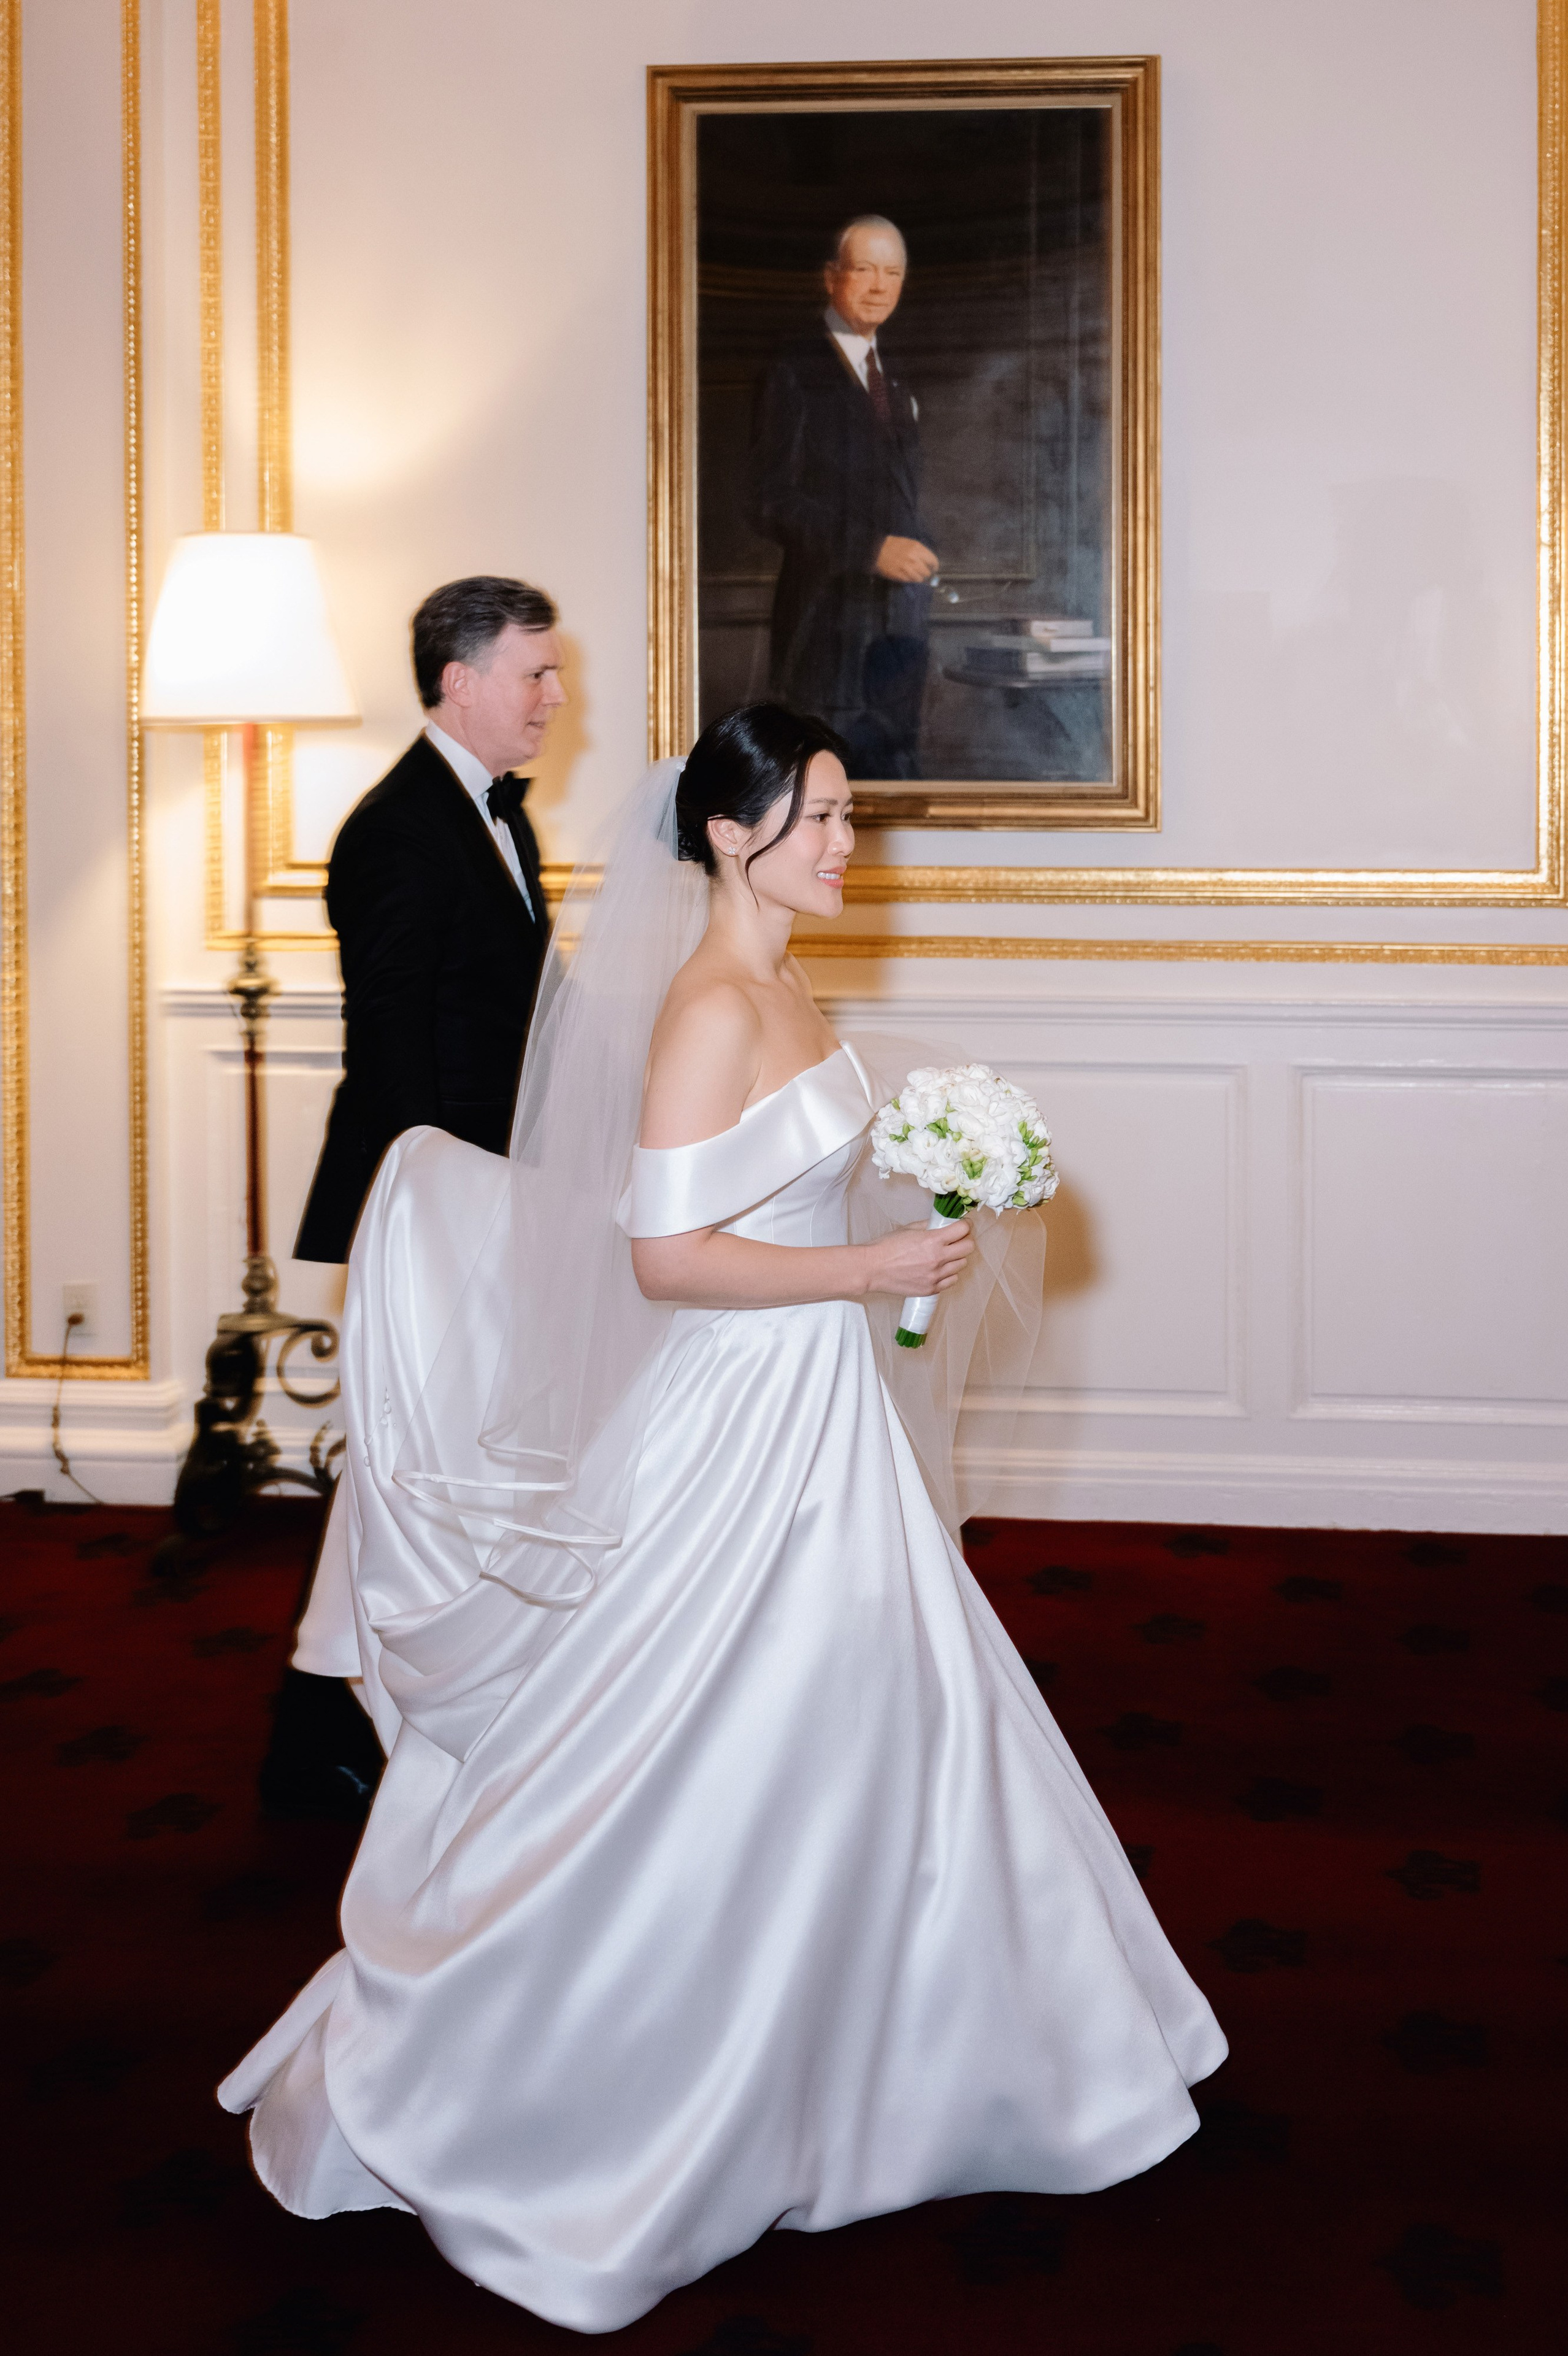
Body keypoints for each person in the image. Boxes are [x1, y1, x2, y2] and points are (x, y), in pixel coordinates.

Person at [219, 703, 1226, 2334]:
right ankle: (609, 2085)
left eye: (846, 816)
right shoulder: (707, 1006)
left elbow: (770, 1188)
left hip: (815, 1406)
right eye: (819, 817)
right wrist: (866, 1266)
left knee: (890, 1710)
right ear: (729, 834)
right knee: (716, 1737)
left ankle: (912, 2060)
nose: (845, 843)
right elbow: (664, 1258)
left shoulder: (784, 985)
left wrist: (918, 1189)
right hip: (741, 1422)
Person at [293, 574, 564, 1266]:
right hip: (440, 1193)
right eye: (537, 675)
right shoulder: (395, 829)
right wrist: (430, 1200)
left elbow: (520, 995)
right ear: (460, 682)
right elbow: (391, 1035)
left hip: (507, 1176)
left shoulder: (506, 813)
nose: (557, 696)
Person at [749, 217, 939, 779]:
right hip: (825, 635)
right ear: (832, 277)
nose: (880, 286)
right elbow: (767, 498)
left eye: (893, 273)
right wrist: (871, 549)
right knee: (821, 790)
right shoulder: (793, 368)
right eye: (865, 270)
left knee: (894, 781)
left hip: (899, 637)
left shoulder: (895, 372)